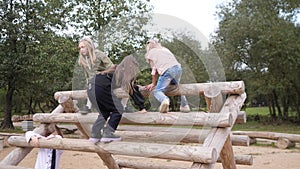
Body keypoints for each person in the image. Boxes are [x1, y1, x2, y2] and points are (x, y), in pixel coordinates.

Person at [87, 55, 145, 143]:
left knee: (104, 112)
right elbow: (132, 89)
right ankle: (108, 133)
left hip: (91, 87)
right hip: (100, 88)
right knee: (118, 109)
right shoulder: (124, 72)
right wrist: (141, 107)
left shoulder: (115, 69)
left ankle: (95, 134)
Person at [144, 39, 190, 113]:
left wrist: (153, 83)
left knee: (157, 91)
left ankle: (165, 100)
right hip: (178, 68)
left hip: (168, 71)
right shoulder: (165, 49)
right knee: (176, 86)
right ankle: (185, 106)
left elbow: (154, 70)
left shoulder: (150, 53)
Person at [78, 37, 114, 113]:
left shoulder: (99, 54)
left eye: (83, 47)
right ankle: (88, 107)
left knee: (95, 82)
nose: (81, 50)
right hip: (93, 82)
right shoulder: (83, 60)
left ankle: (90, 106)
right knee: (91, 86)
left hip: (105, 78)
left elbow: (112, 67)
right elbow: (87, 75)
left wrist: (102, 73)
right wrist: (88, 85)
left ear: (89, 46)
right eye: (80, 48)